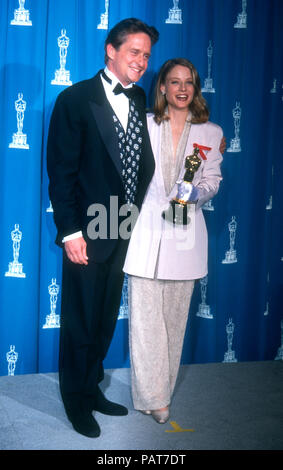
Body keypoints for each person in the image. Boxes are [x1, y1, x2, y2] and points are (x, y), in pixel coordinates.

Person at [47, 18, 159, 438]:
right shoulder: (74, 99)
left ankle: (91, 388)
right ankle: (75, 402)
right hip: (88, 229)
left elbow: (140, 157)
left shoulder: (140, 96)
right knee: (80, 318)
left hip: (123, 225)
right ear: (110, 50)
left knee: (105, 316)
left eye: (147, 55)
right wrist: (71, 232)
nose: (142, 62)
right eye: (135, 52)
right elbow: (61, 172)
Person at [123, 58, 224, 424]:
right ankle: (153, 397)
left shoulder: (211, 133)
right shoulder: (144, 125)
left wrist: (193, 192)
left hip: (185, 235)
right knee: (145, 322)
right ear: (162, 87)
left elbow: (213, 180)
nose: (182, 89)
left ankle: (159, 392)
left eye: (189, 82)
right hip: (145, 235)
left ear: (195, 89)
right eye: (174, 81)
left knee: (173, 322)